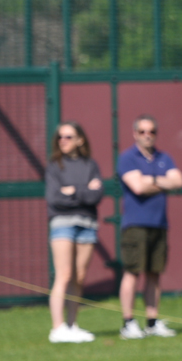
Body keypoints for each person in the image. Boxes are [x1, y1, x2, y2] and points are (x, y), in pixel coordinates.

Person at [117, 115, 182, 339]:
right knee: (132, 273)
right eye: (143, 132)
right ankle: (128, 322)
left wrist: (151, 181)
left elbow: (178, 181)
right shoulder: (127, 158)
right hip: (135, 224)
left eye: (152, 131)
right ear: (135, 133)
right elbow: (137, 187)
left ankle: (152, 322)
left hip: (159, 224)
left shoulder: (165, 157)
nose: (148, 136)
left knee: (154, 273)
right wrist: (160, 181)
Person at [45, 122, 105, 343]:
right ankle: (57, 327)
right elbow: (55, 199)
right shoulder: (54, 167)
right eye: (60, 137)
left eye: (68, 137)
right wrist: (84, 191)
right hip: (62, 223)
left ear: (80, 139)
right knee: (64, 274)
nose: (63, 141)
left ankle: (72, 325)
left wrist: (73, 192)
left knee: (79, 277)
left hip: (87, 224)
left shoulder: (91, 165)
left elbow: (96, 196)